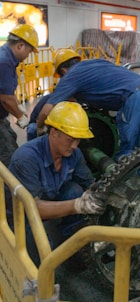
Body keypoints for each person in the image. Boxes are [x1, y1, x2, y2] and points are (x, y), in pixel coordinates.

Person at [6, 101, 107, 265]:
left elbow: (90, 184)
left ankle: (73, 249)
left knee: (74, 190)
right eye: (70, 140)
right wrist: (78, 205)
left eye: (78, 141)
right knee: (42, 254)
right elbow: (33, 209)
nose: (75, 146)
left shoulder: (74, 154)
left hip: (47, 200)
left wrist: (105, 192)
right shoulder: (26, 158)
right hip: (20, 214)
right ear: (53, 133)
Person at [36, 49, 140, 161]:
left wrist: (39, 127)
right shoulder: (94, 63)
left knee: (127, 149)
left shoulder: (70, 76)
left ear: (63, 71)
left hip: (134, 99)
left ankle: (125, 181)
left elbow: (47, 109)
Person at [0, 24, 39, 167]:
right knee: (8, 153)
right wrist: (21, 117)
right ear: (20, 46)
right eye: (29, 51)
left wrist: (18, 105)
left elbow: (5, 90)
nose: (29, 55)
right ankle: (9, 187)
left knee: (11, 136)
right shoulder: (4, 61)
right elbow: (4, 98)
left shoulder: (7, 58)